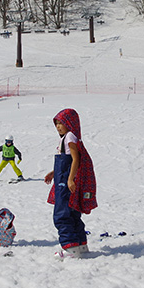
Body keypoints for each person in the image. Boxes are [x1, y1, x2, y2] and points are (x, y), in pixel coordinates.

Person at [44, 108, 97, 259]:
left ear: (70, 123)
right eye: (57, 124)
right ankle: (80, 244)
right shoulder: (68, 137)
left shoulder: (69, 137)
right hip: (63, 177)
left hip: (66, 181)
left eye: (61, 123)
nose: (58, 126)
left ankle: (70, 248)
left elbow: (75, 159)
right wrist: (54, 173)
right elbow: (66, 160)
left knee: (62, 214)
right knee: (73, 212)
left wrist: (69, 179)